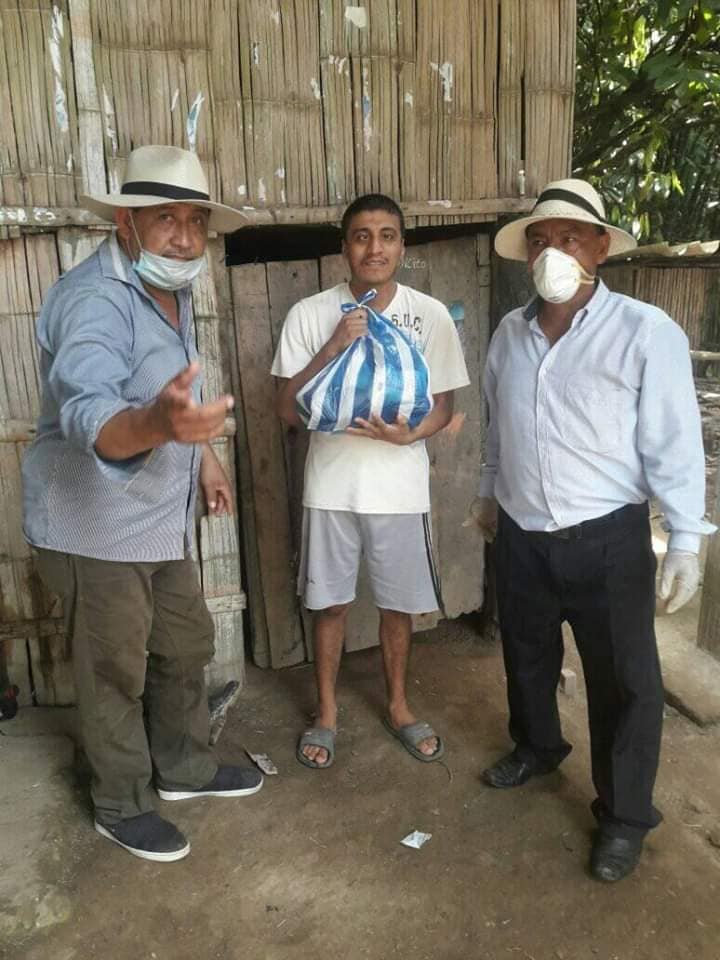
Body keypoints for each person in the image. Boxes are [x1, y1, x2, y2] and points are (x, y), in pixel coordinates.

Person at [22, 145, 263, 863]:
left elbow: (176, 394)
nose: (185, 238)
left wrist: (203, 456)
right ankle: (120, 803)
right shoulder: (93, 299)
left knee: (184, 643)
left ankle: (183, 768)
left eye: (196, 221)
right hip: (94, 529)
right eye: (166, 219)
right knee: (113, 673)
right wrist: (158, 425)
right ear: (125, 222)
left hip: (156, 523)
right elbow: (89, 411)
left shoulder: (169, 289)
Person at [470, 178, 716, 882]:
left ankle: (624, 815)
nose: (553, 252)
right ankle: (538, 747)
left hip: (607, 540)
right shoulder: (509, 334)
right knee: (526, 653)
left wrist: (687, 540)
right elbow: (498, 427)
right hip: (522, 533)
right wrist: (488, 495)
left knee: (625, 682)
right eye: (540, 241)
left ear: (601, 248)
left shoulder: (646, 332)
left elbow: (673, 442)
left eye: (570, 238)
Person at [272, 194, 469, 769]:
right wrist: (334, 345)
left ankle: (399, 707)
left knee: (397, 607)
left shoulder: (430, 316)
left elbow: (443, 405)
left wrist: (411, 436)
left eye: (387, 236)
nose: (374, 248)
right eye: (362, 236)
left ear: (402, 247)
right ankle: (326, 713)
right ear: (344, 248)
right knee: (330, 605)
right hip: (331, 488)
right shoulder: (310, 314)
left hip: (400, 491)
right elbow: (285, 409)